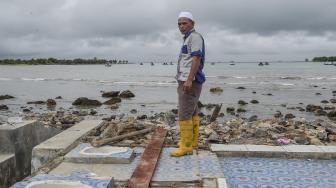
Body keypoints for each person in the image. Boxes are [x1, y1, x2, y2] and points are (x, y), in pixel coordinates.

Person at [171, 11, 205, 157]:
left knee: (184, 113)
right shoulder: (187, 38)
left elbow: (196, 59)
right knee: (192, 112)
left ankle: (186, 147)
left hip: (189, 81)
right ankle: (192, 142)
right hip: (186, 79)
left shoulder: (195, 37)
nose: (181, 26)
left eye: (184, 23)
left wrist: (189, 79)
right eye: (179, 23)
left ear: (192, 23)